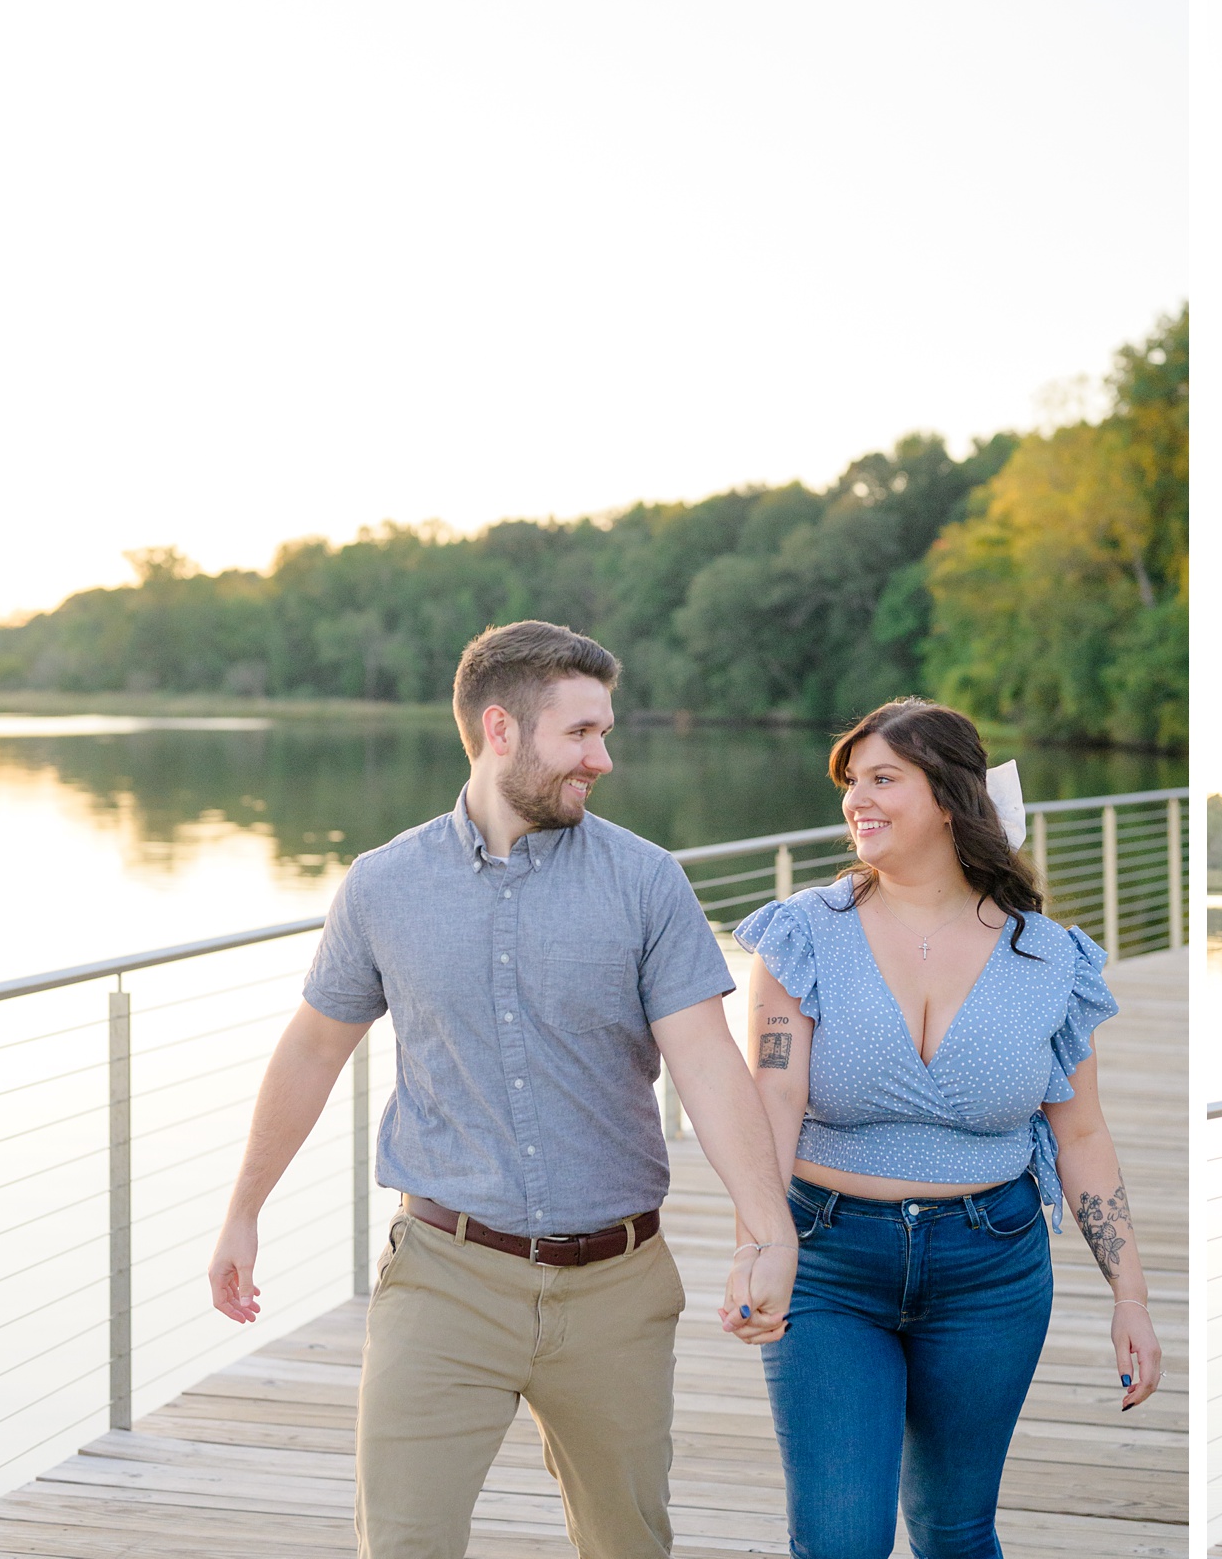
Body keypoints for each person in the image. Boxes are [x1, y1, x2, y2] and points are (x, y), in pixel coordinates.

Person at [206, 621, 800, 1559]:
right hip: (444, 1278)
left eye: (606, 734)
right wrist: (244, 1211)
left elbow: (708, 1063)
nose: (602, 758)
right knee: (402, 1543)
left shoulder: (647, 882)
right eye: (582, 734)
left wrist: (769, 1229)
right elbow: (314, 1049)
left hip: (617, 1284)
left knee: (629, 1545)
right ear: (500, 730)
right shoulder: (383, 886)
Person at [730, 697, 1165, 1559]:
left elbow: (1081, 1137)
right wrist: (759, 1245)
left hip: (991, 1271)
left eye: (884, 779)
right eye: (853, 783)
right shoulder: (803, 937)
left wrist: (1132, 1296)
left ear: (950, 798)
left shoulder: (1049, 959)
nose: (859, 799)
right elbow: (771, 1103)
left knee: (954, 1532)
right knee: (839, 1542)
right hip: (828, 1262)